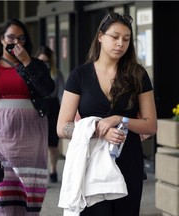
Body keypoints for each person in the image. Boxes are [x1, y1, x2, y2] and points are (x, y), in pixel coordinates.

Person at [57, 12, 157, 216]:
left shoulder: (138, 74)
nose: (121, 43)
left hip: (128, 163)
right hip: (91, 165)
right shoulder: (80, 75)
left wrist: (121, 119)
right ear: (100, 37)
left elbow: (150, 126)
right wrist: (96, 129)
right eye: (115, 37)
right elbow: (62, 127)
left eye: (126, 39)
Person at [0, 19, 55, 215]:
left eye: (21, 38)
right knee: (2, 186)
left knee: (28, 190)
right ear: (1, 39)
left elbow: (48, 90)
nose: (15, 42)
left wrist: (27, 62)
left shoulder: (36, 65)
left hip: (31, 135)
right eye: (11, 37)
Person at [36, 46, 65, 183]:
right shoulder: (33, 73)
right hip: (38, 106)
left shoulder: (56, 74)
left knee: (52, 143)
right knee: (40, 143)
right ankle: (43, 172)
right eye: (41, 61)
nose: (44, 64)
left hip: (53, 107)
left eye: (46, 61)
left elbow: (62, 94)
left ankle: (53, 169)